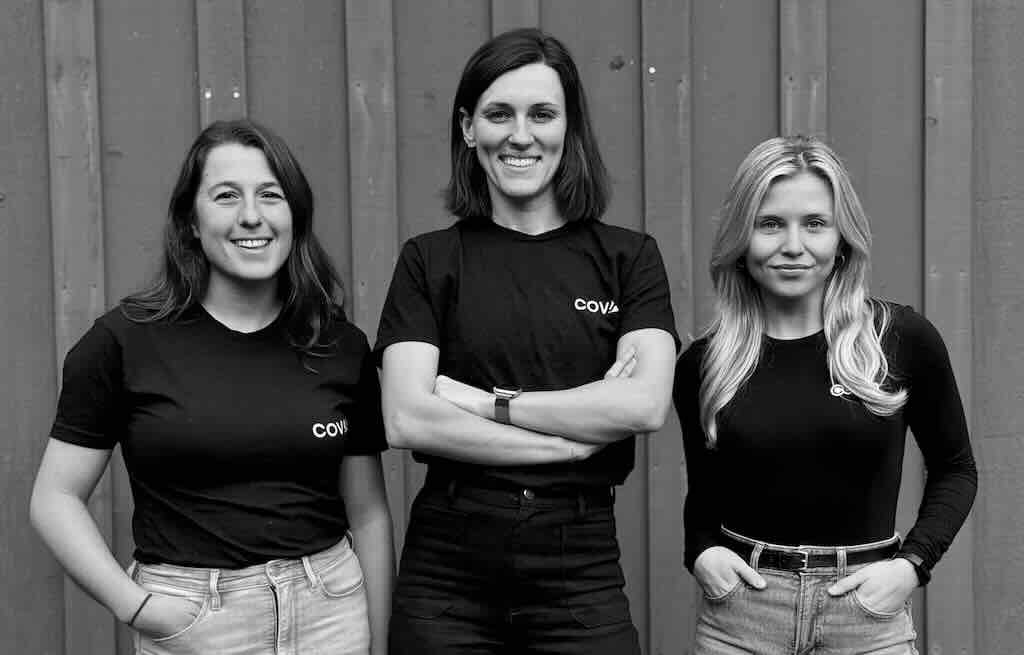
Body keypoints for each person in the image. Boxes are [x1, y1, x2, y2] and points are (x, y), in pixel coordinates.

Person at [30, 119, 394, 655]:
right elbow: (54, 498)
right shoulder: (124, 342)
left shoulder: (338, 344)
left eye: (271, 195)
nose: (252, 216)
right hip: (198, 622)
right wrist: (137, 606)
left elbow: (368, 515)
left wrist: (380, 643)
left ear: (294, 215)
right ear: (191, 223)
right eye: (227, 196)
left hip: (331, 614)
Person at [375, 28, 678, 655]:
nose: (520, 135)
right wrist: (570, 443)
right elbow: (407, 417)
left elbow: (643, 406)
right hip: (446, 569)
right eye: (497, 114)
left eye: (542, 113)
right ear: (467, 128)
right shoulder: (430, 262)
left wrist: (483, 404)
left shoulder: (628, 259)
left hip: (580, 561)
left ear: (569, 128)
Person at [674, 135, 978, 653]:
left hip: (866, 616)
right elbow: (705, 493)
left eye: (815, 223)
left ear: (843, 238)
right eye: (770, 224)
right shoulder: (706, 362)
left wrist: (912, 566)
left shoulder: (899, 340)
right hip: (742, 618)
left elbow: (956, 469)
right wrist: (700, 552)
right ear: (741, 239)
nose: (794, 245)